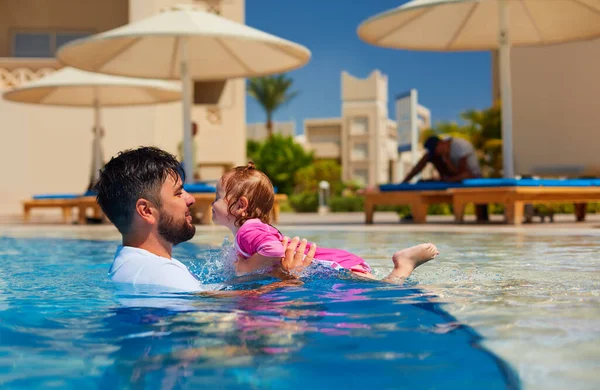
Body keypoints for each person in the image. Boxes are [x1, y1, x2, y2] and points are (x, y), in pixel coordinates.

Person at [94, 146, 315, 295]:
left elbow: (217, 296)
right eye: (178, 193)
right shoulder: (161, 274)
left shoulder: (138, 265)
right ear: (146, 211)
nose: (191, 199)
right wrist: (288, 283)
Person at [211, 162, 439, 284]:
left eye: (217, 197)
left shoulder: (247, 230)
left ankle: (404, 264)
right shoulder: (252, 230)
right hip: (329, 263)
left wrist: (246, 268)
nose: (213, 203)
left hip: (330, 265)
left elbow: (274, 250)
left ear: (240, 206)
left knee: (385, 289)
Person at [402, 135, 488, 221]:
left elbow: (464, 173)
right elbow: (420, 165)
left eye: (436, 151)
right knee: (422, 176)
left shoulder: (461, 146)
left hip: (471, 176)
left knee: (481, 216)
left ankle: (482, 218)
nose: (436, 154)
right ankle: (415, 213)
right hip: (454, 176)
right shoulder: (441, 153)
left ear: (441, 143)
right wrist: (404, 182)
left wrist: (448, 176)